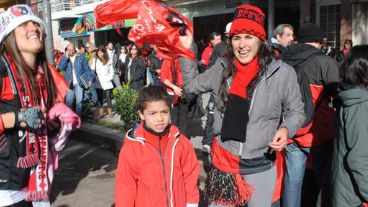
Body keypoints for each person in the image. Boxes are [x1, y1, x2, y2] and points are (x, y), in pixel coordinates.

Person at [183, 5, 305, 206]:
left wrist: (286, 129)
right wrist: (186, 50)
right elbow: (190, 87)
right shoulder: (221, 68)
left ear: (260, 39)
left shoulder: (282, 73)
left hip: (261, 162)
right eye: (236, 37)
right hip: (224, 161)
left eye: (249, 37)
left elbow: (296, 112)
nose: (242, 44)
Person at [0, 5, 80, 207]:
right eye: (24, 24)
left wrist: (54, 125)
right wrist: (17, 118)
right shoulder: (2, 68)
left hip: (37, 180)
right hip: (6, 189)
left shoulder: (43, 74)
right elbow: (19, 119)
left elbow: (39, 121)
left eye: (36, 23)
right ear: (8, 34)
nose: (33, 27)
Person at [281, 23, 339, 207]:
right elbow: (337, 96)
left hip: (289, 130)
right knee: (325, 181)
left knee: (293, 180)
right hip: (318, 132)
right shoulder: (326, 62)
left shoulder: (283, 58)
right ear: (317, 40)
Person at [115, 85, 200, 207]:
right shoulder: (132, 148)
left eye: (164, 112)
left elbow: (190, 176)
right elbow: (125, 187)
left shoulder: (181, 143)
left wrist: (191, 203)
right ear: (142, 115)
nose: (160, 119)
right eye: (152, 113)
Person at [326, 45, 368, 207]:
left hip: (345, 188)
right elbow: (359, 158)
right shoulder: (360, 104)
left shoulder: (351, 96)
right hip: (354, 196)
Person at [58, 43, 94, 117]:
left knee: (79, 102)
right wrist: (65, 57)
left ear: (75, 49)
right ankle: (70, 119)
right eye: (69, 50)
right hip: (69, 84)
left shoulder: (81, 57)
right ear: (67, 50)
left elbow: (86, 69)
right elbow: (61, 68)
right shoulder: (65, 58)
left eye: (72, 50)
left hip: (79, 83)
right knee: (69, 102)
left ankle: (78, 119)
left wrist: (89, 79)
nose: (71, 51)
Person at [91, 46, 114, 118]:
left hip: (107, 81)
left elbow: (112, 71)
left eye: (101, 52)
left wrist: (109, 78)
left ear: (104, 53)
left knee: (108, 97)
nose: (100, 54)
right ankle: (101, 113)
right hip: (98, 81)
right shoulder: (95, 60)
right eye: (99, 53)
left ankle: (110, 112)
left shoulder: (108, 60)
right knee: (100, 97)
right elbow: (91, 70)